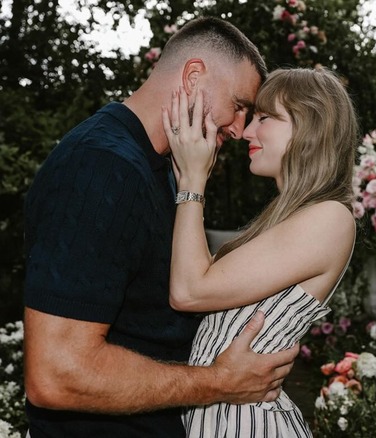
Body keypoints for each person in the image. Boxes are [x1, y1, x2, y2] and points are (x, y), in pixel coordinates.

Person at [23, 17, 298, 437]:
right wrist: (219, 382)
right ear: (193, 76)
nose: (241, 130)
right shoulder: (100, 166)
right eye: (239, 105)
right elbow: (56, 374)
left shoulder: (164, 170)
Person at [162, 67, 357, 436]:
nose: (247, 131)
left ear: (308, 127)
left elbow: (188, 290)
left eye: (264, 118)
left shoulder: (330, 217)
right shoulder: (287, 218)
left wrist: (192, 181)